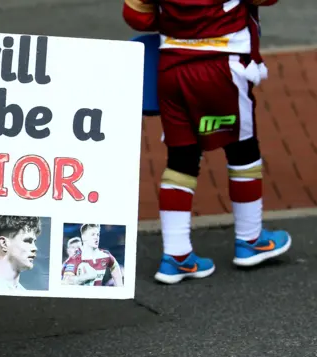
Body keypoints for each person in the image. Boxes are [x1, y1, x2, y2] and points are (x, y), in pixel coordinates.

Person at [122, 0, 291, 285]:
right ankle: (250, 239)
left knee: (181, 158)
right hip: (222, 64)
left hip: (172, 67)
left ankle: (176, 256)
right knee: (243, 151)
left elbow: (137, 17)